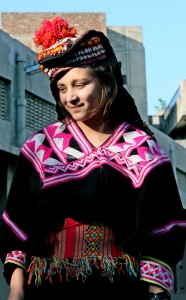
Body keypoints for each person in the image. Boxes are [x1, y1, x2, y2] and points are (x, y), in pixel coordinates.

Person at [0, 16, 186, 300]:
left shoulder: (140, 148)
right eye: (62, 89)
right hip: (50, 285)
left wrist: (157, 291)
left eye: (80, 84)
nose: (70, 97)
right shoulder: (40, 147)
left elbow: (163, 224)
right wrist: (16, 290)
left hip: (121, 286)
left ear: (105, 82)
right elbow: (17, 221)